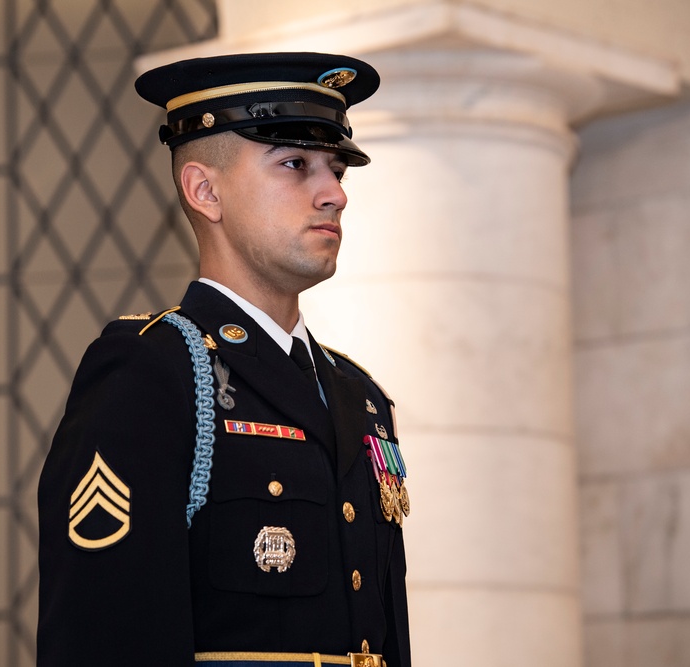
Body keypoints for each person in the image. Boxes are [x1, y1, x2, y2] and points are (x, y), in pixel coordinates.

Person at [37, 52, 411, 667]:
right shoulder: (153, 372)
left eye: (337, 169)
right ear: (205, 191)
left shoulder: (359, 396)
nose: (335, 194)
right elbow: (104, 635)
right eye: (296, 164)